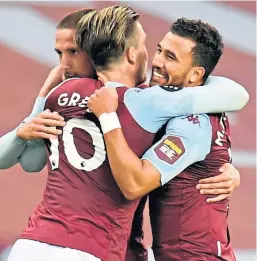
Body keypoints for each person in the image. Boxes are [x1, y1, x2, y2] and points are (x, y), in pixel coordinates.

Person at [2, 6, 246, 261]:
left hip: (32, 243)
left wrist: (36, 106)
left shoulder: (61, 93)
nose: (154, 59)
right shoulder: (148, 102)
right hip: (92, 249)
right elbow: (236, 95)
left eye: (167, 55)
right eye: (151, 48)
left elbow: (31, 163)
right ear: (131, 54)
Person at [86, 16, 240, 260]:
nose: (156, 62)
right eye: (159, 50)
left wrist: (107, 118)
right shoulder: (176, 105)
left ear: (195, 74)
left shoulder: (191, 122)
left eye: (170, 57)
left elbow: (135, 185)